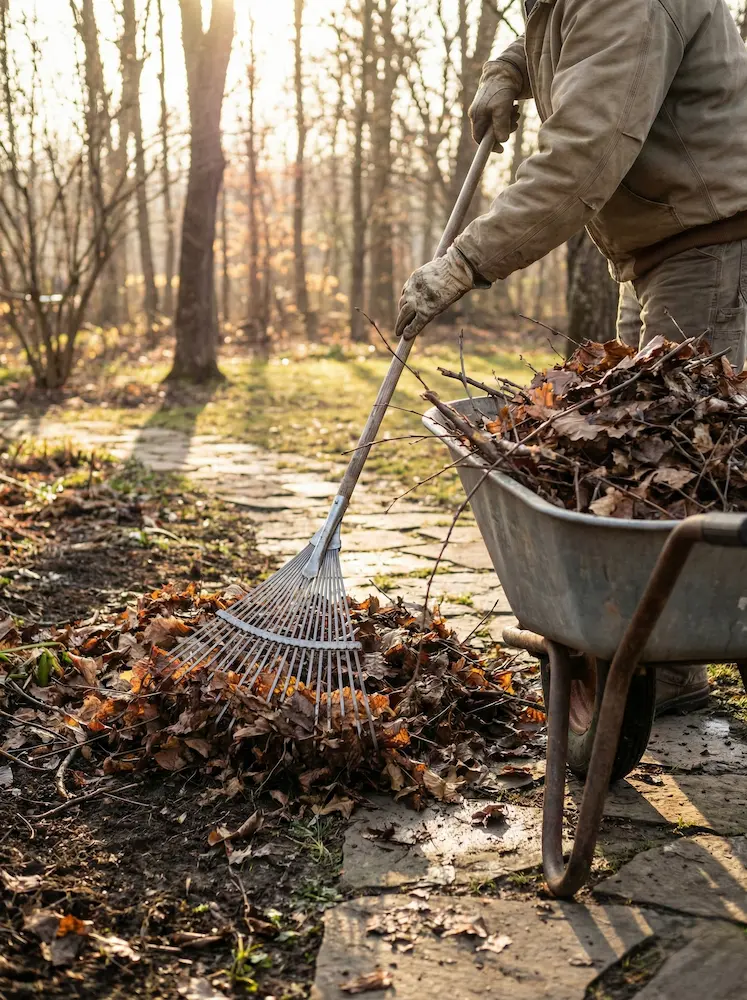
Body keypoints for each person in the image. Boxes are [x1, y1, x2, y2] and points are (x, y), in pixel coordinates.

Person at [395, 0, 747, 713]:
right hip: (660, 247)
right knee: (652, 470)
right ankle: (667, 667)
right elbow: (563, 34)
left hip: (713, 247)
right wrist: (507, 68)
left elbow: (583, 151)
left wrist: (466, 261)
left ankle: (686, 648)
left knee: (698, 474)